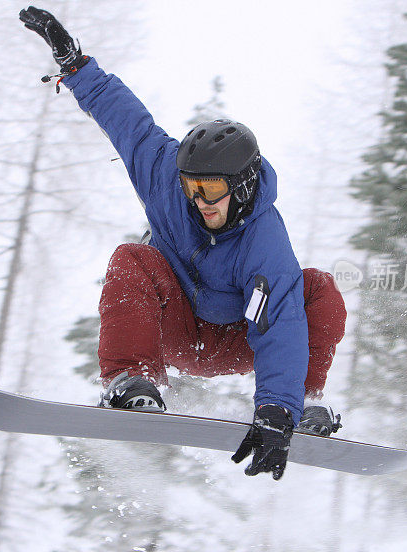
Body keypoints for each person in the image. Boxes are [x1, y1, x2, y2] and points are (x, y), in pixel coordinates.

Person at [19, 6, 346, 480]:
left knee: (317, 290)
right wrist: (75, 68)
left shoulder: (265, 241)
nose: (200, 202)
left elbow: (280, 325)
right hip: (170, 325)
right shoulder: (168, 182)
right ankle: (133, 379)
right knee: (133, 257)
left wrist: (277, 409)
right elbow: (127, 122)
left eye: (211, 191)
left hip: (240, 338)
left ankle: (303, 401)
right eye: (192, 188)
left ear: (244, 185)